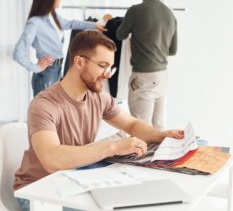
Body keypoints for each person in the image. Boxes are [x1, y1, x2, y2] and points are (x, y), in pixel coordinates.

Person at [14, 30, 184, 211]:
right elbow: (51, 159)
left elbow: (131, 124)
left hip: (73, 181)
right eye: (102, 65)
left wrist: (159, 135)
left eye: (110, 67)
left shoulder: (99, 98)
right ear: (79, 62)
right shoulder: (44, 105)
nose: (108, 74)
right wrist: (114, 147)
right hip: (37, 191)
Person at [13, 0, 106, 96]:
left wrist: (94, 25)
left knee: (55, 108)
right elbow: (18, 53)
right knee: (45, 110)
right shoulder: (35, 22)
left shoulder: (53, 17)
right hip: (47, 73)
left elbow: (71, 24)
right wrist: (37, 67)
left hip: (57, 69)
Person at [116, 0, 177, 130]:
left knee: (140, 129)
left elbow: (120, 35)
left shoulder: (135, 11)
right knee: (159, 128)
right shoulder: (169, 14)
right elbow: (173, 50)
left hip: (143, 77)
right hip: (162, 76)